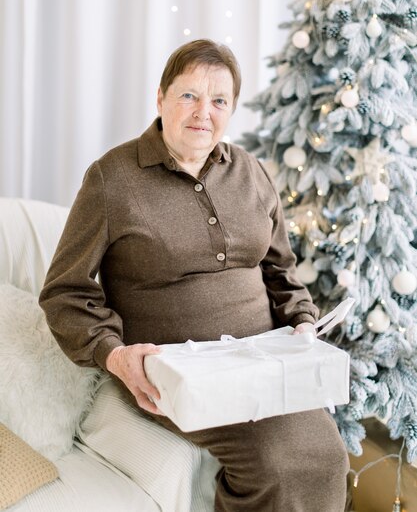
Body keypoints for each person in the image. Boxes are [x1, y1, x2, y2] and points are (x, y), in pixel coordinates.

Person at [39, 39, 349, 512]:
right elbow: (65, 292)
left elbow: (280, 270)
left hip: (264, 361)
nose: (204, 112)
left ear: (232, 110)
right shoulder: (112, 179)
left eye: (219, 100)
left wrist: (303, 322)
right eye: (189, 96)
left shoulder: (251, 173)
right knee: (278, 463)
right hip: (181, 372)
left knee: (327, 455)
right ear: (160, 98)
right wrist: (115, 354)